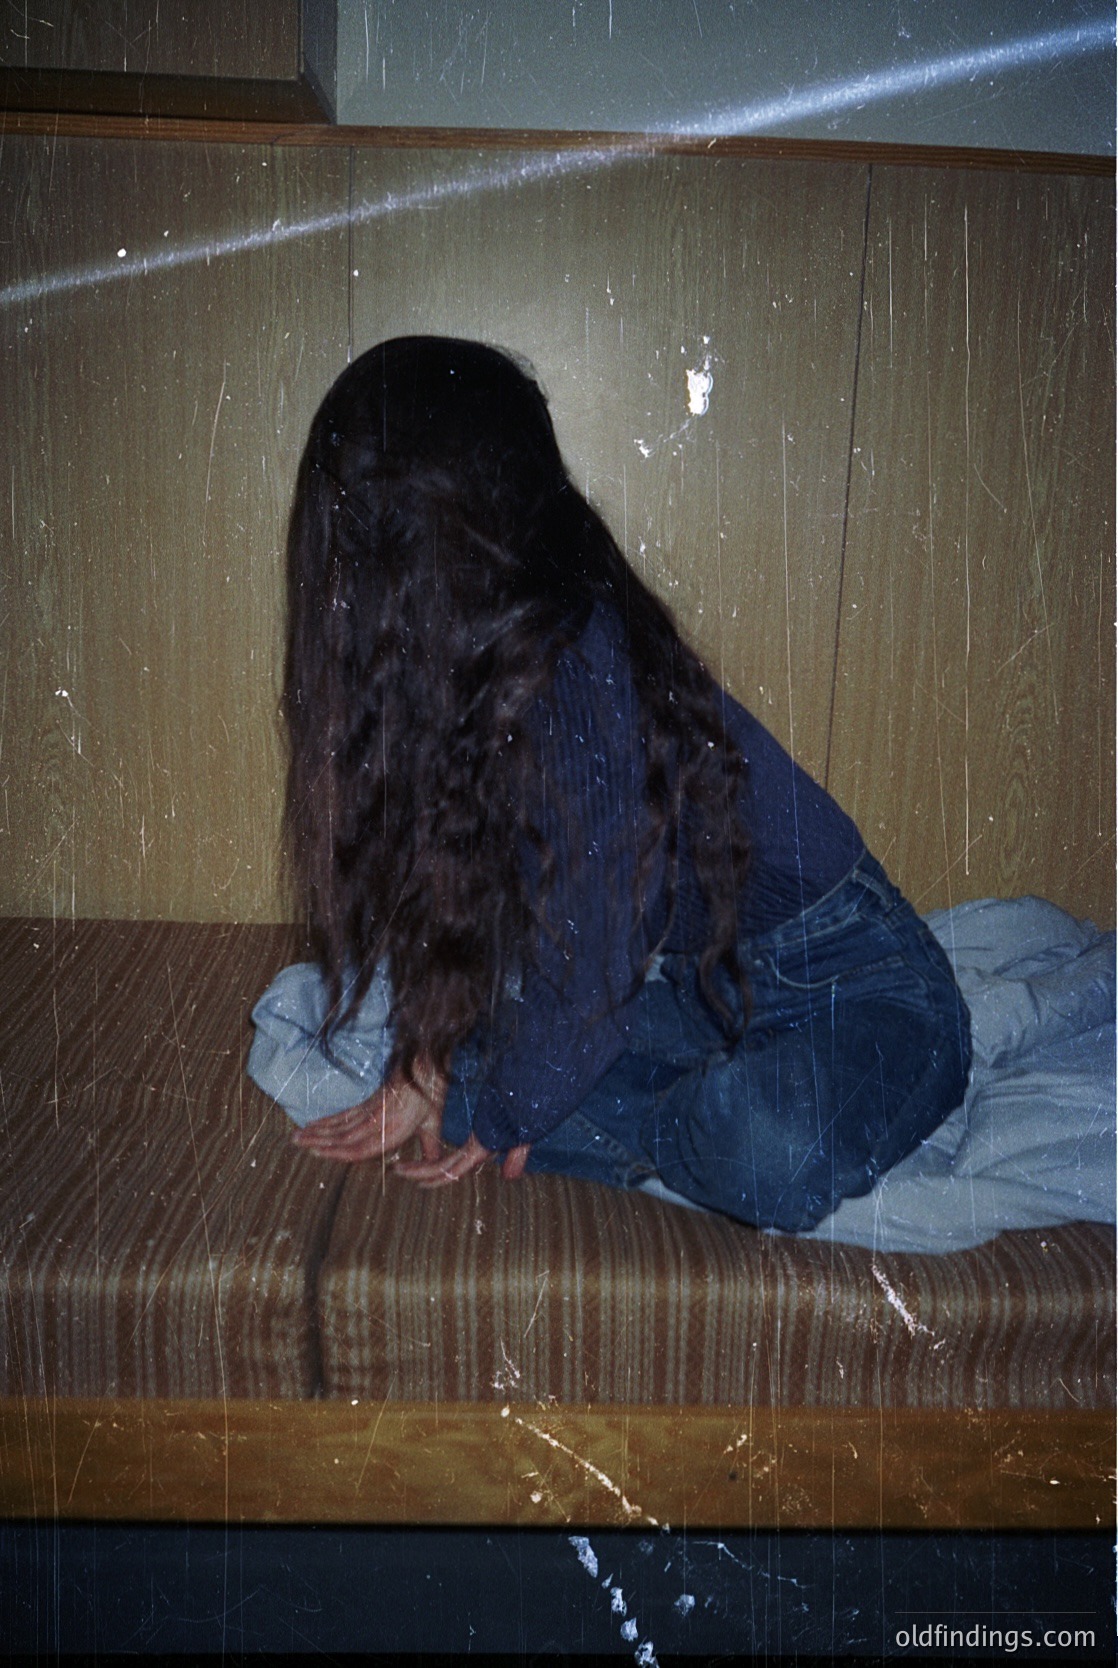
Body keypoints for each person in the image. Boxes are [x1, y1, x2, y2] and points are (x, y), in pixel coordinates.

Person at [276, 335, 971, 1233]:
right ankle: (639, 1097)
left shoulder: (575, 657)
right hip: (686, 992)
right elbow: (467, 900)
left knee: (764, 1152)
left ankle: (640, 1106)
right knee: (509, 1071)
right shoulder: (464, 680)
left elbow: (596, 929)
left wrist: (519, 1107)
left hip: (852, 977)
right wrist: (428, 1064)